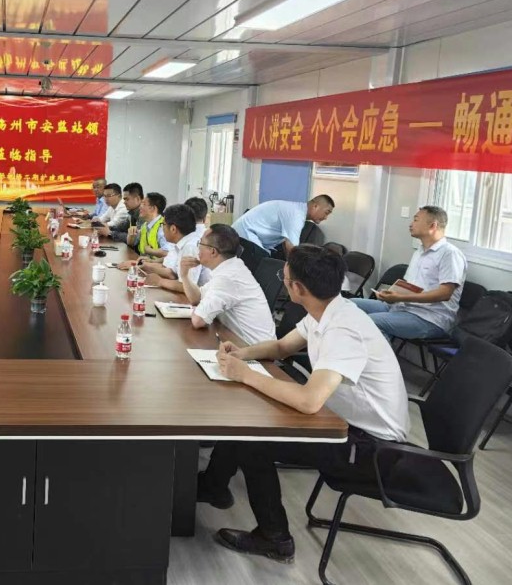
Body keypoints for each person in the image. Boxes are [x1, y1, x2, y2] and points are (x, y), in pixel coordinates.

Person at [198, 244, 410, 564]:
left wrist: (245, 375)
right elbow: (282, 347)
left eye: (284, 278)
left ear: (297, 288)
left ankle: (275, 538)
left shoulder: (344, 329)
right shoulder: (326, 309)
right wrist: (243, 354)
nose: (283, 283)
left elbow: (310, 401)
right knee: (247, 416)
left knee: (254, 440)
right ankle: (213, 486)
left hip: (372, 449)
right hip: (343, 423)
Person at [352, 205, 467, 341]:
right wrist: (392, 294)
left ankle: (382, 355)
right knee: (349, 304)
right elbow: (408, 286)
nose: (411, 224)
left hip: (429, 318)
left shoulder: (450, 254)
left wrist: (400, 297)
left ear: (433, 226)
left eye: (416, 220)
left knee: (372, 321)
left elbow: (444, 294)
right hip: (402, 307)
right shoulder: (420, 251)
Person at [180, 225, 276, 346]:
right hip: (239, 343)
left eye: (200, 244)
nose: (198, 249)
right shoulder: (230, 267)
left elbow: (198, 321)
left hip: (255, 351)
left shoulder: (228, 277)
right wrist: (184, 276)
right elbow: (197, 298)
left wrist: (198, 311)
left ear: (213, 251)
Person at [234, 195, 335, 257]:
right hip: (245, 232)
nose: (326, 217)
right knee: (261, 261)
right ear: (315, 206)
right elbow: (291, 247)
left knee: (268, 259)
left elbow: (286, 244)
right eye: (326, 212)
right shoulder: (296, 215)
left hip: (248, 233)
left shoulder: (296, 211)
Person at [137, 204, 207, 291]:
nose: (162, 228)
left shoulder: (190, 247)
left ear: (173, 229)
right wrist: (147, 266)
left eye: (163, 224)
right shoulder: (182, 242)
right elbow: (173, 272)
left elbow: (188, 287)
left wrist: (159, 281)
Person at [126, 192, 169, 257]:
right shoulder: (145, 225)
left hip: (155, 263)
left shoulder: (163, 226)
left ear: (153, 208)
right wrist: (131, 235)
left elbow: (167, 252)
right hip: (143, 262)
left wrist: (149, 251)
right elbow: (131, 243)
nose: (140, 207)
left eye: (143, 204)